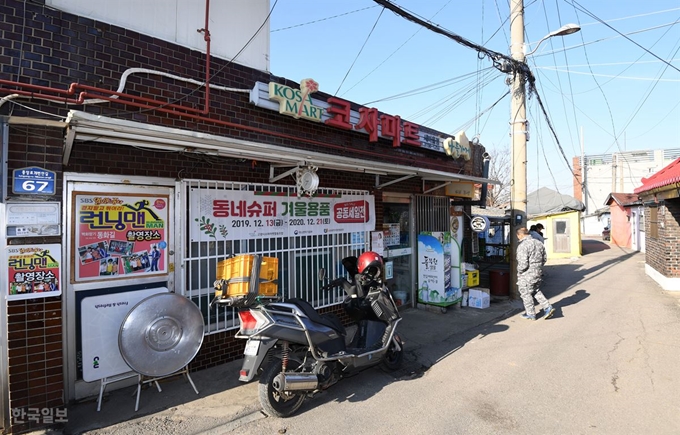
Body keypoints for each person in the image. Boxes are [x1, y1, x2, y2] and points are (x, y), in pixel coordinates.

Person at [516, 227, 555, 320]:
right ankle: (547, 307)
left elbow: (523, 264)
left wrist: (519, 272)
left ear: (520, 235)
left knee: (525, 292)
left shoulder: (523, 245)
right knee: (535, 290)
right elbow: (544, 259)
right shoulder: (539, 243)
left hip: (527, 273)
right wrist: (537, 267)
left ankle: (531, 313)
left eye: (517, 236)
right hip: (538, 272)